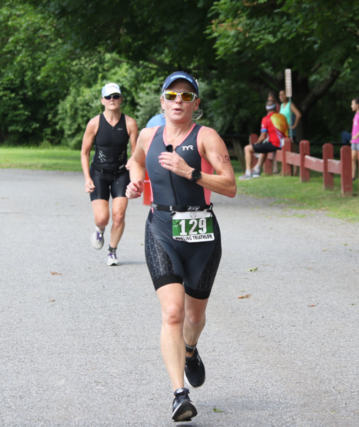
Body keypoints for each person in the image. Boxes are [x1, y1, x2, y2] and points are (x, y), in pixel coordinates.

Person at [125, 71, 236, 422]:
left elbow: (231, 186)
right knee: (172, 312)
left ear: (196, 105)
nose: (178, 101)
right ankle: (179, 394)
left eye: (186, 97)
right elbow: (136, 161)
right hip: (161, 227)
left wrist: (192, 173)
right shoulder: (148, 134)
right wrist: (133, 182)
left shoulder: (207, 137)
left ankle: (190, 350)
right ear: (162, 101)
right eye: (172, 95)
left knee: (194, 316)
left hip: (202, 233)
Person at [80, 83, 138, 266]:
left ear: (121, 99)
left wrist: (133, 162)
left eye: (115, 96)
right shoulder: (94, 123)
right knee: (102, 217)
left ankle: (112, 251)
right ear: (102, 100)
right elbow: (84, 152)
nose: (111, 100)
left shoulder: (129, 123)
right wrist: (87, 178)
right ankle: (99, 228)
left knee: (119, 216)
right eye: (108, 97)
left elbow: (136, 152)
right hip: (98, 174)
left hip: (121, 174)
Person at [239, 100, 289, 180]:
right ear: (276, 107)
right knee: (264, 148)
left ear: (266, 109)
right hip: (285, 144)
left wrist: (257, 144)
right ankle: (257, 170)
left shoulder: (266, 119)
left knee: (247, 148)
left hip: (275, 144)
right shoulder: (282, 117)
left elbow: (263, 136)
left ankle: (248, 173)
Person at [275, 90, 302, 173]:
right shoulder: (282, 105)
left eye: (283, 95)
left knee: (292, 149)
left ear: (287, 96)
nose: (281, 96)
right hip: (283, 131)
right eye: (280, 95)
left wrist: (294, 125)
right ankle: (285, 169)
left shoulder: (290, 104)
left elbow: (298, 114)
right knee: (284, 149)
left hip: (289, 132)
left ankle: (296, 169)